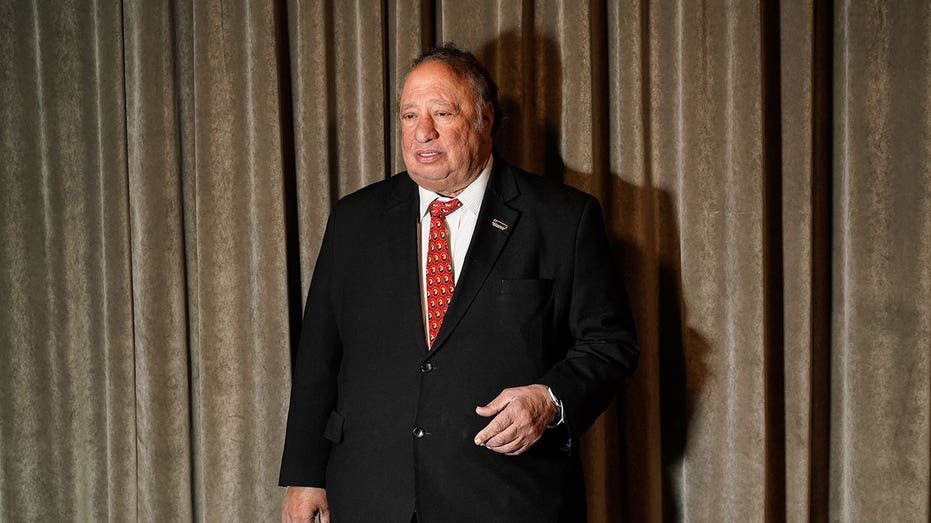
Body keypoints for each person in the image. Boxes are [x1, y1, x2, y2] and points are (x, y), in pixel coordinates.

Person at [279, 43, 638, 523]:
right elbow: (318, 357)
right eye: (409, 116)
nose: (421, 132)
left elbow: (610, 344)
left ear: (485, 119)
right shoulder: (355, 219)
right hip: (370, 495)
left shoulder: (562, 219)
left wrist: (550, 400)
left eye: (441, 113)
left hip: (509, 499)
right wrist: (306, 477)